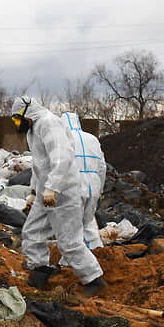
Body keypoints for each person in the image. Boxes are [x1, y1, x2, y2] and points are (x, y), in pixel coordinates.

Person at [11, 96, 105, 295]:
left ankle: (94, 280)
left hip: (63, 192)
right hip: (46, 193)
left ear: (27, 112)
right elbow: (40, 165)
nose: (17, 123)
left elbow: (62, 158)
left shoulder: (49, 123)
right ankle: (40, 270)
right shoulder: (33, 129)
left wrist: (52, 187)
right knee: (32, 231)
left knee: (69, 241)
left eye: (17, 118)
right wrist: (35, 192)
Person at [62, 111, 107, 250]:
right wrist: (100, 190)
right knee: (88, 224)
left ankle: (73, 259)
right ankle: (98, 252)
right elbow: (102, 167)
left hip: (73, 189)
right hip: (93, 188)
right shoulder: (92, 139)